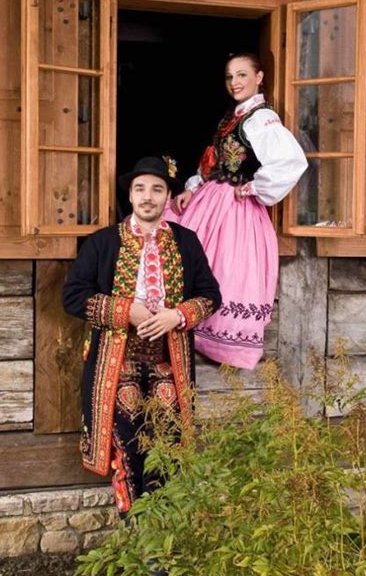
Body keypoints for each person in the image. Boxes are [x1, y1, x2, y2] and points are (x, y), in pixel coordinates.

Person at [62, 156, 221, 517]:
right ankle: (136, 532)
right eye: (140, 189)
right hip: (118, 367)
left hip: (168, 364)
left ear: (167, 197)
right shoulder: (103, 243)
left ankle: (164, 533)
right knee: (129, 450)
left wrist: (175, 316)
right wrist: (125, 311)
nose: (148, 197)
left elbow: (211, 296)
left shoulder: (186, 242)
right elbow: (72, 297)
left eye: (156, 189)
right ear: (131, 196)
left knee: (168, 445)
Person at [165, 52, 308, 371]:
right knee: (179, 243)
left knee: (228, 267)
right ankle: (181, 323)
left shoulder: (261, 118)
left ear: (259, 78)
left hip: (235, 208)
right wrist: (192, 187)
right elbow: (215, 161)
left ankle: (214, 336)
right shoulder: (235, 117)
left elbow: (291, 162)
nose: (235, 83)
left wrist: (255, 187)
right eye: (230, 77)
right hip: (211, 198)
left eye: (242, 75)